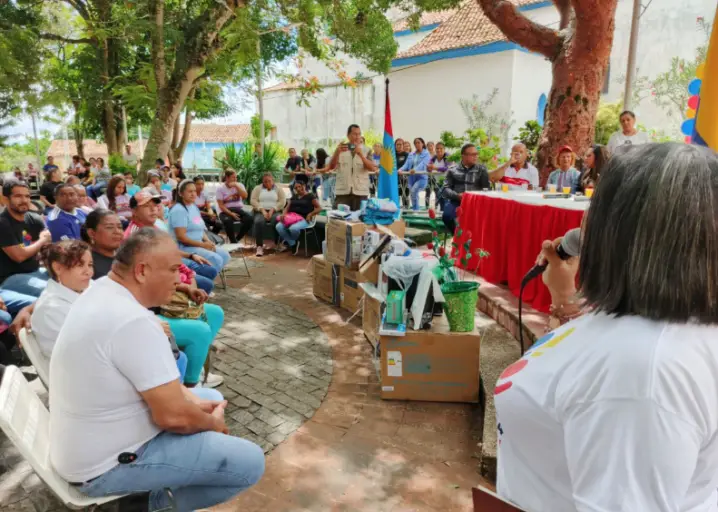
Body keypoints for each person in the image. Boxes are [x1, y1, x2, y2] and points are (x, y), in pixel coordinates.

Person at [496, 142, 718, 511]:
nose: (584, 220)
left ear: (620, 230)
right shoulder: (641, 333)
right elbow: (582, 373)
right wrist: (565, 299)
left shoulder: (642, 374)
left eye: (596, 205)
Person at [49, 229, 264, 508]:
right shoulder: (133, 322)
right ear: (141, 271)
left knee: (208, 399)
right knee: (249, 463)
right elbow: (173, 418)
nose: (180, 279)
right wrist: (214, 425)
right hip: (102, 468)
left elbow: (167, 393)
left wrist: (197, 404)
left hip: (87, 447)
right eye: (174, 270)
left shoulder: (101, 291)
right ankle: (151, 505)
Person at [126, 190, 218, 292]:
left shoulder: (153, 227)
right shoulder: (135, 236)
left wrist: (190, 262)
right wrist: (185, 284)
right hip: (157, 282)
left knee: (209, 274)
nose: (153, 209)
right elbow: (147, 274)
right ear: (134, 211)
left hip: (171, 267)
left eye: (155, 205)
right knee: (206, 283)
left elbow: (167, 251)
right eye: (146, 206)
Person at [31, 240, 94, 358]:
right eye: (80, 265)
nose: (88, 272)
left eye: (90, 265)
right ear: (58, 268)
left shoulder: (86, 286)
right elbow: (84, 352)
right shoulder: (51, 310)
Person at [0, 181, 51, 297]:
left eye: (27, 196)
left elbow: (47, 247)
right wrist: (42, 240)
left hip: (36, 270)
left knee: (69, 283)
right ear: (6, 199)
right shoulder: (2, 223)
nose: (24, 200)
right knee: (51, 294)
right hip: (10, 277)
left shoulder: (35, 218)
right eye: (18, 196)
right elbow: (19, 256)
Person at [170, 181, 231, 275]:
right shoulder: (179, 210)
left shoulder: (193, 207)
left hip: (198, 244)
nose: (193, 194)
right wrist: (202, 245)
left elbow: (200, 228)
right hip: (185, 248)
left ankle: (207, 277)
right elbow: (181, 238)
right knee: (216, 259)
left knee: (225, 255)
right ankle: (201, 280)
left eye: (194, 191)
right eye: (189, 191)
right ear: (180, 193)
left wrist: (207, 242)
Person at [442, 144, 490, 234]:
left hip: (476, 202)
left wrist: (478, 198)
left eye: (476, 154)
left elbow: (486, 189)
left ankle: (473, 240)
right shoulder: (452, 170)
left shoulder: (481, 169)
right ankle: (458, 237)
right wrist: (457, 196)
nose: (476, 156)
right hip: (457, 201)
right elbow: (445, 189)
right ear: (463, 156)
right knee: (447, 216)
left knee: (484, 219)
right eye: (472, 154)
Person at [328, 124, 375, 211]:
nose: (357, 137)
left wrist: (361, 155)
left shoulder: (366, 150)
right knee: (340, 219)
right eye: (354, 134)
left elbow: (372, 168)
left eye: (359, 134)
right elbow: (331, 167)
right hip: (343, 192)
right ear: (348, 135)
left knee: (360, 220)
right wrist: (336, 153)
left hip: (360, 192)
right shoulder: (341, 149)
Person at [276, 174, 320, 255]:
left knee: (293, 228)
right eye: (296, 188)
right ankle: (293, 243)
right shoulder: (294, 197)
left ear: (304, 185)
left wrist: (310, 214)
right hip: (291, 218)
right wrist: (283, 214)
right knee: (279, 226)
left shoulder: (310, 196)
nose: (298, 189)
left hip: (304, 219)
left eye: (300, 186)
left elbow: (319, 208)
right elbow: (287, 207)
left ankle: (289, 242)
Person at [81, 209, 125, 280]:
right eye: (109, 227)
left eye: (120, 227)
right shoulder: (86, 263)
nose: (117, 232)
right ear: (92, 233)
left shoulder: (128, 257)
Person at [250, 173, 286, 257]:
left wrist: (273, 209)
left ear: (272, 180)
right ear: (262, 182)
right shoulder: (257, 188)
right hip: (260, 211)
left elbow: (282, 201)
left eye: (269, 181)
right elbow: (253, 200)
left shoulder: (278, 189)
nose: (267, 183)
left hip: (275, 211)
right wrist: (262, 209)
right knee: (258, 222)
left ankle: (278, 243)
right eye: (265, 182)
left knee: (276, 221)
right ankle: (259, 246)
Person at [216, 170, 253, 245]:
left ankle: (236, 240)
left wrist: (236, 186)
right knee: (228, 221)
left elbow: (245, 196)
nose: (235, 179)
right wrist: (231, 214)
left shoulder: (239, 185)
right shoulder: (220, 188)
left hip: (238, 209)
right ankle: (233, 241)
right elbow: (221, 205)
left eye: (236, 177)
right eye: (233, 177)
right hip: (225, 211)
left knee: (249, 219)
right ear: (227, 178)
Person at [398, 137, 431, 211]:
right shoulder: (411, 154)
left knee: (414, 190)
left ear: (422, 143)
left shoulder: (426, 154)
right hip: (412, 178)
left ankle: (416, 210)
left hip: (421, 177)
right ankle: (415, 210)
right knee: (413, 194)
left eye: (418, 142)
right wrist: (400, 170)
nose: (417, 144)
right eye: (415, 143)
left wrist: (415, 170)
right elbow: (406, 165)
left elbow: (423, 164)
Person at [426, 142, 450, 210]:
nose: (439, 150)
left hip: (447, 182)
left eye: (441, 148)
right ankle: (440, 214)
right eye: (437, 148)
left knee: (442, 197)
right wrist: (429, 168)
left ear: (444, 149)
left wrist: (435, 168)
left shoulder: (447, 156)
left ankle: (443, 213)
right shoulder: (434, 157)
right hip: (437, 182)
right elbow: (429, 166)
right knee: (440, 198)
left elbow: (446, 168)